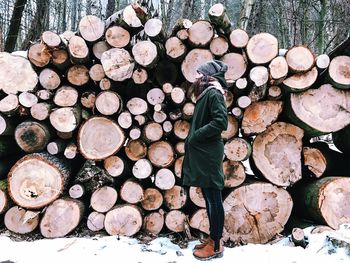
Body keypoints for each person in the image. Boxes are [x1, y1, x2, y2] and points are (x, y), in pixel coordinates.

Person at [182, 60, 228, 260]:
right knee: (210, 198)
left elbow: (220, 122)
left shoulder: (213, 93)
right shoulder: (207, 93)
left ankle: (216, 244)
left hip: (209, 154)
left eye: (199, 73)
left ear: (207, 76)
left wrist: (195, 136)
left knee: (214, 199)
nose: (195, 77)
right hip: (205, 153)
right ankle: (213, 238)